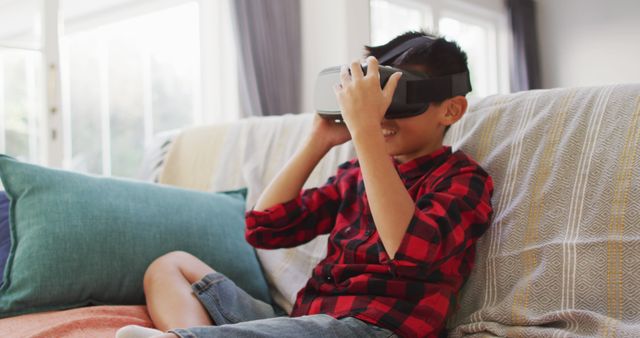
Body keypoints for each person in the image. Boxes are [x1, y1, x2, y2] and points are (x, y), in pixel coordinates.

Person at [116, 31, 494, 338]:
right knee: (170, 266)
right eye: (373, 101)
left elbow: (410, 250)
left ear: (451, 109)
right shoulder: (354, 176)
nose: (380, 116)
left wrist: (365, 135)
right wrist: (318, 140)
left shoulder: (463, 180)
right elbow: (264, 227)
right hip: (304, 321)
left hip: (376, 327)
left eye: (396, 98)